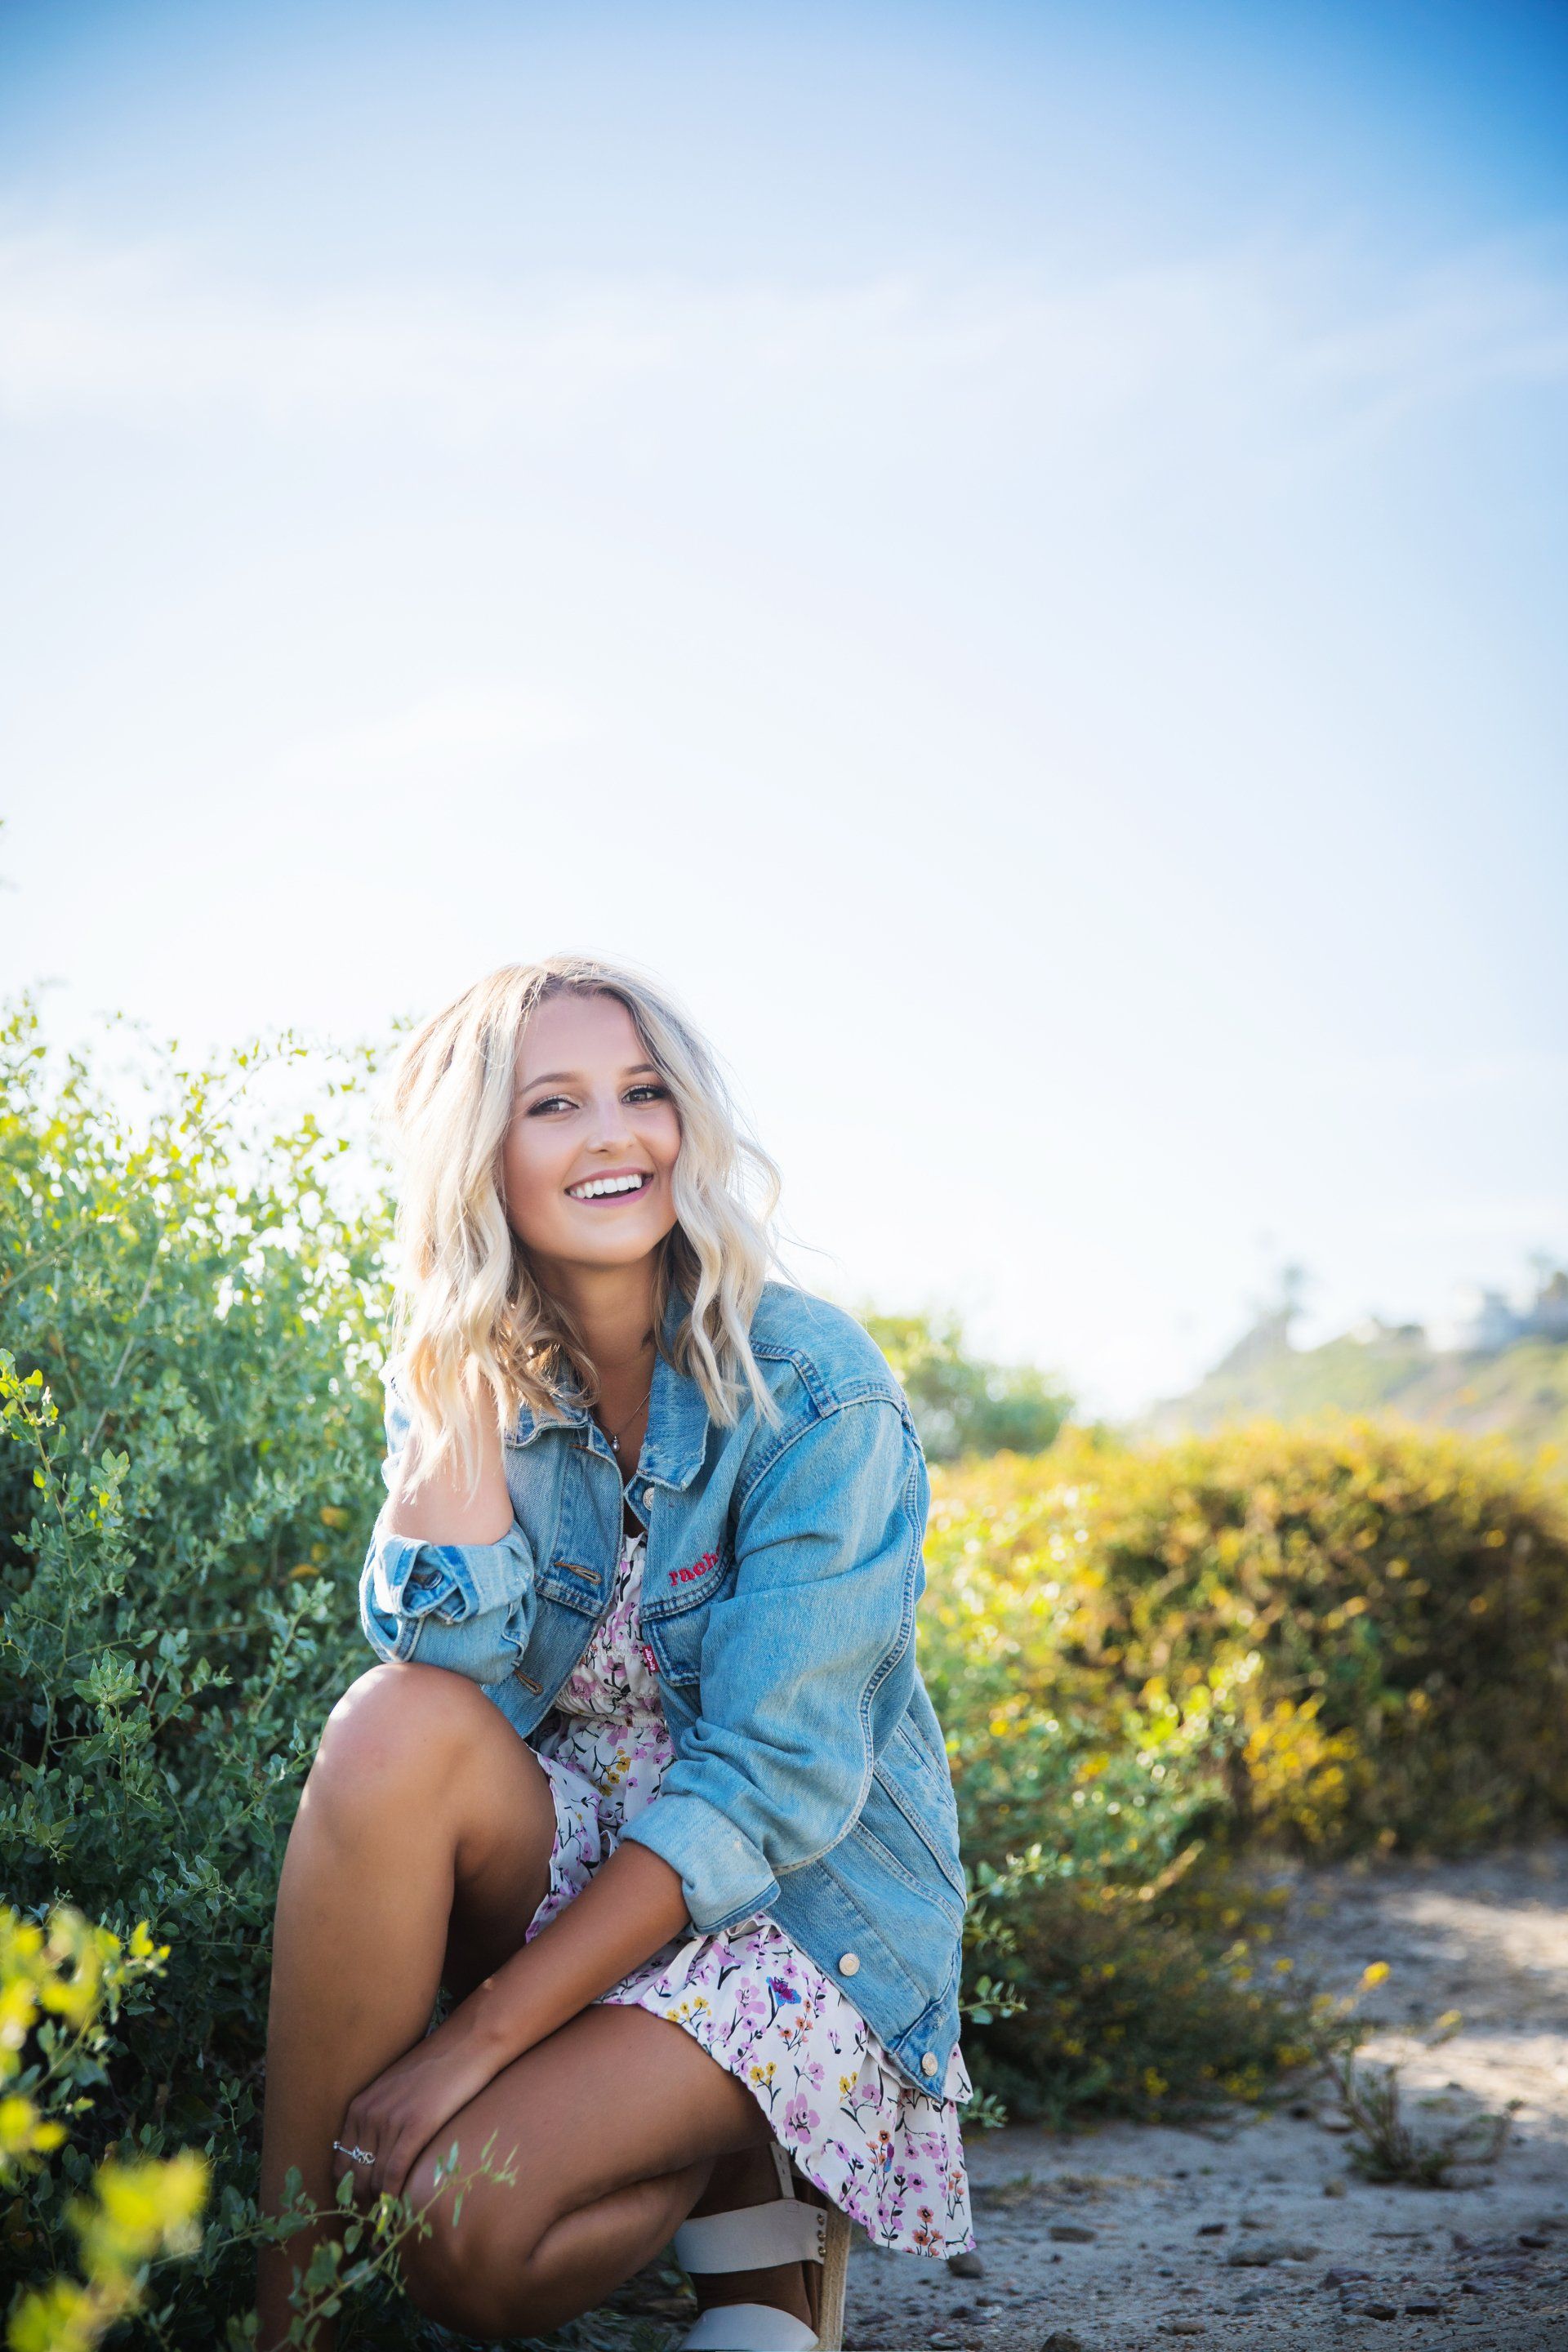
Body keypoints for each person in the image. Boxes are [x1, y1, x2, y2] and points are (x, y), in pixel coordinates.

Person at [255, 955, 973, 2352]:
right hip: (578, 1867)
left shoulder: (817, 1393)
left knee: (462, 2231)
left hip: (790, 1919)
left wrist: (474, 2048)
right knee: (387, 1725)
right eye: (555, 1105)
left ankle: (749, 2170)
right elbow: (443, 1675)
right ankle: (285, 2326)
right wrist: (451, 1380)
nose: (614, 1137)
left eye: (644, 1095)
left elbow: (764, 1791)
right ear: (480, 1159)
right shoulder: (490, 1365)